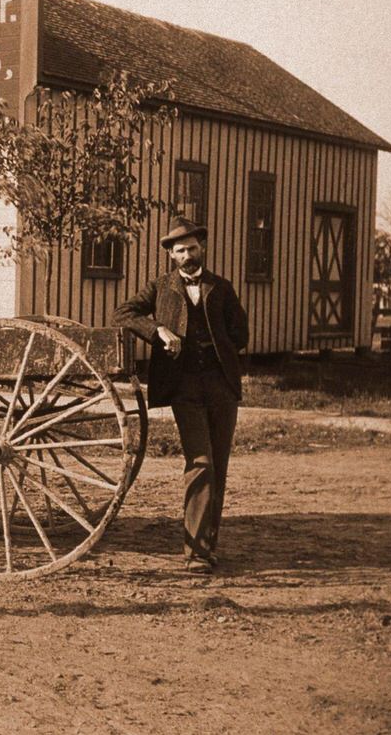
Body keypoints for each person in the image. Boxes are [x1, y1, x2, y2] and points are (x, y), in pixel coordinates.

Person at [113, 218, 249, 574]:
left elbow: (241, 333)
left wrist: (221, 353)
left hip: (222, 387)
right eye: (180, 250)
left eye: (192, 248)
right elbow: (124, 313)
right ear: (171, 255)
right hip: (184, 387)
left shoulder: (222, 287)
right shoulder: (160, 287)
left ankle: (207, 546)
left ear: (201, 248)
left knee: (218, 466)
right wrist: (158, 330)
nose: (187, 255)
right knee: (200, 462)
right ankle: (196, 553)